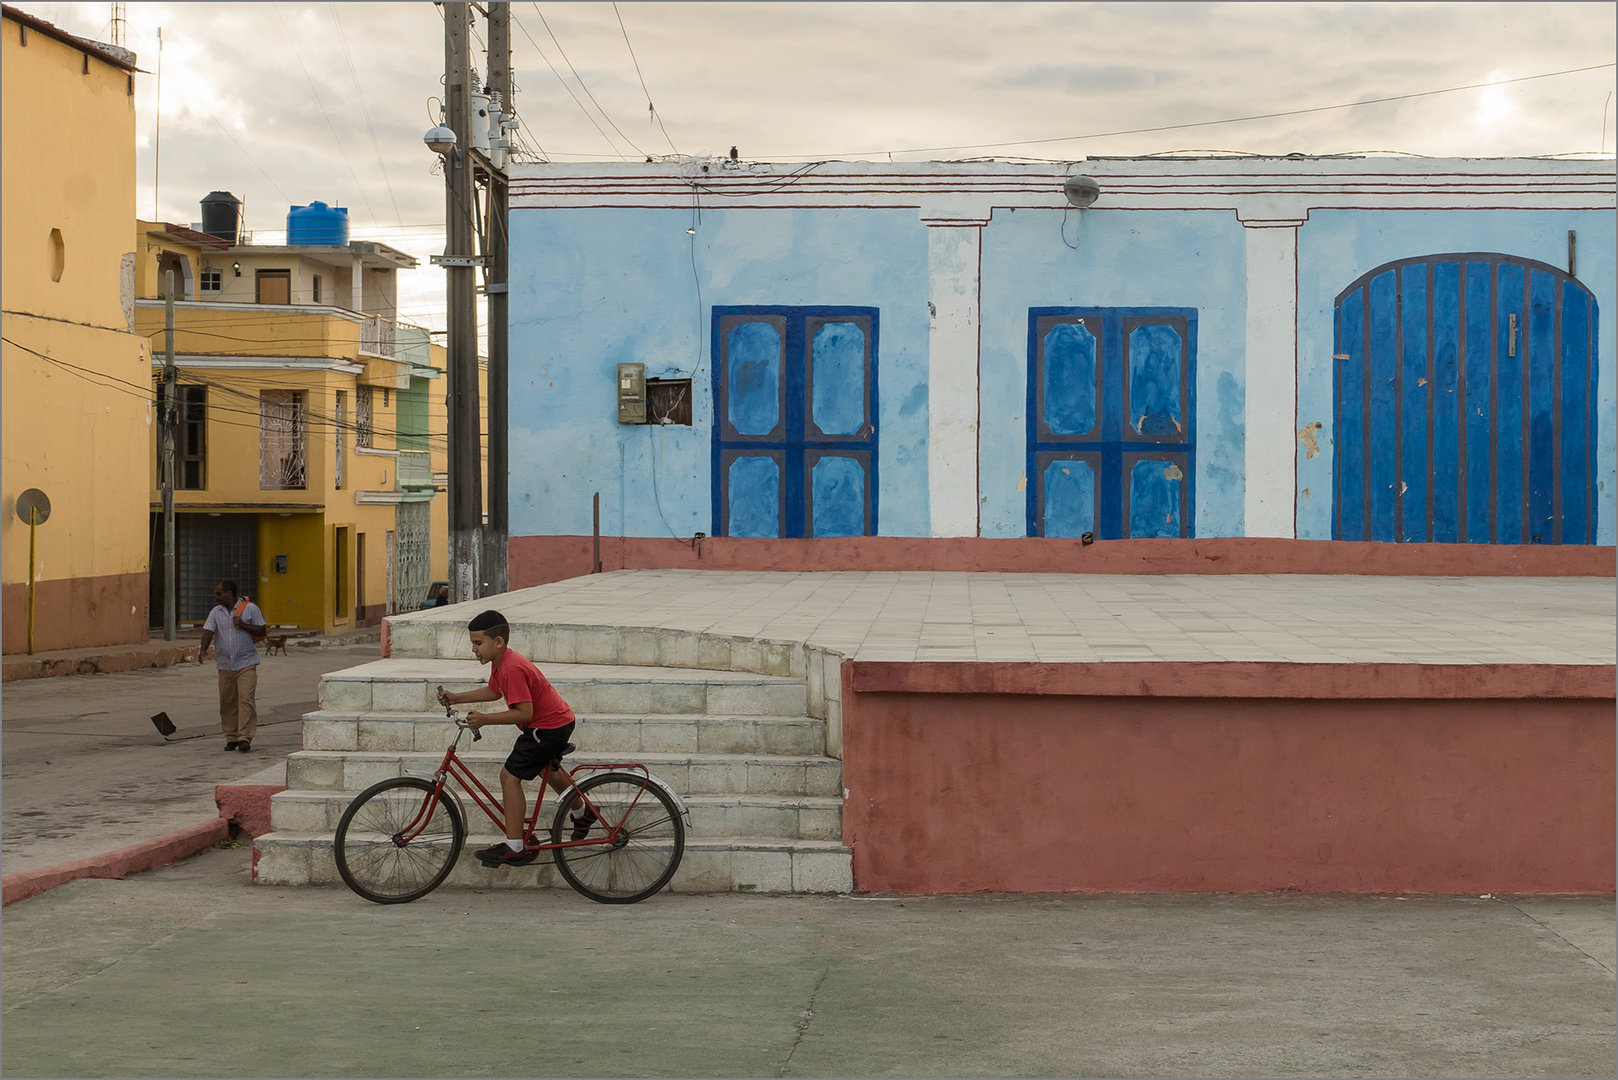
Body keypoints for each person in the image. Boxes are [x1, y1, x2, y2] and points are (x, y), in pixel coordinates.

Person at [437, 610, 586, 868]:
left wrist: (485, 719)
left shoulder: (512, 667)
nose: (473, 649)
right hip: (555, 722)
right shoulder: (501, 662)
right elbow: (495, 691)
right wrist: (457, 697)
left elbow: (524, 712)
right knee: (543, 767)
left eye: (478, 643)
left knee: (509, 776)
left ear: (498, 642)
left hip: (548, 727)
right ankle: (583, 813)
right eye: (472, 643)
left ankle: (515, 847)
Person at [198, 580, 266, 752]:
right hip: (225, 664)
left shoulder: (250, 609)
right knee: (227, 702)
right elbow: (208, 631)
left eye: (219, 593)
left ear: (230, 593)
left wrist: (243, 625)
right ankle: (231, 737)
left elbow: (262, 630)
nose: (217, 597)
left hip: (246, 662)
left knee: (245, 700)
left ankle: (245, 738)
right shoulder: (216, 611)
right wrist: (203, 650)